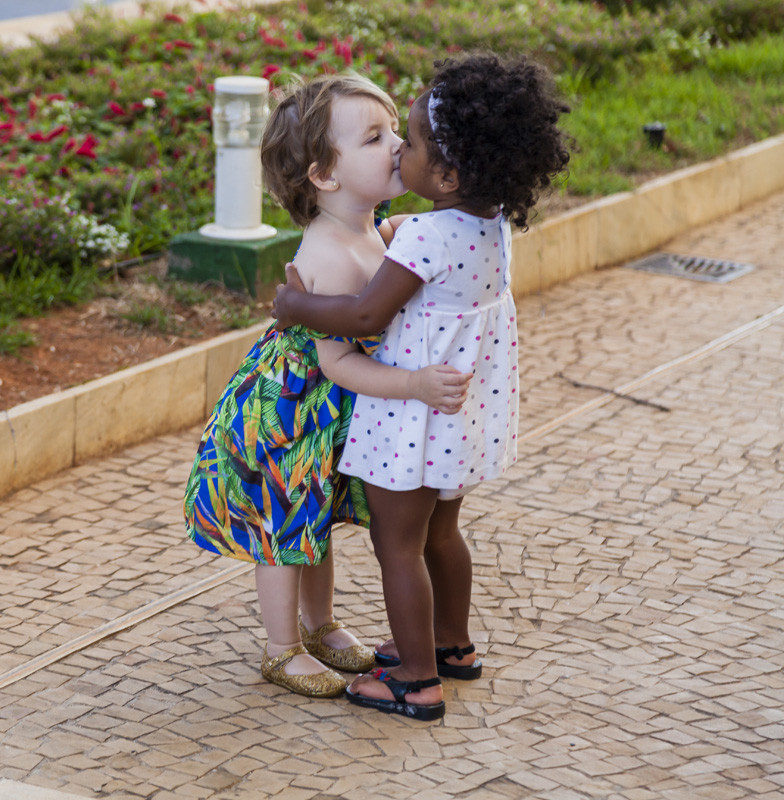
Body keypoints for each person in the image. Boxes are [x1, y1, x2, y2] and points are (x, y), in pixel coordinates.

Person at [272, 53, 572, 719]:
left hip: (410, 421)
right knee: (442, 536)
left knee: (396, 545)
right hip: (462, 419)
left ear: (448, 173)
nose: (400, 151)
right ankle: (450, 646)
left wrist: (295, 309)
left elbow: (363, 315)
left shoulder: (426, 240)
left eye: (410, 142)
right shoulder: (488, 222)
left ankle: (413, 678)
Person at [183, 72, 472, 699]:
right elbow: (338, 362)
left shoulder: (375, 227)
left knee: (317, 524)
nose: (398, 144)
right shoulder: (329, 252)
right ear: (323, 175)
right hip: (291, 413)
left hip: (333, 413)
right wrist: (415, 383)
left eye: (396, 130)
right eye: (375, 137)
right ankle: (282, 648)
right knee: (286, 529)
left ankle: (321, 625)